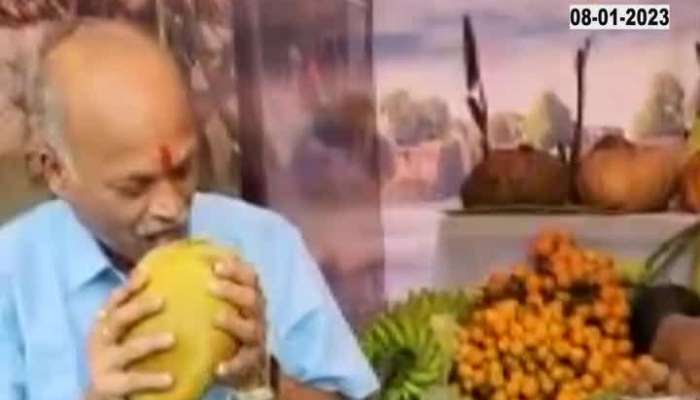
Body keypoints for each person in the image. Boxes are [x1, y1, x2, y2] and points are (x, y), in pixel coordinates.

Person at [0, 19, 379, 400]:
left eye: (183, 170)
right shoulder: (11, 275)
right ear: (55, 171)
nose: (171, 207)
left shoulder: (266, 242)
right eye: (135, 186)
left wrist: (266, 380)